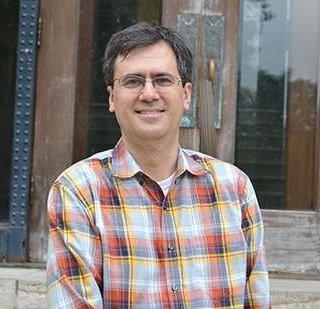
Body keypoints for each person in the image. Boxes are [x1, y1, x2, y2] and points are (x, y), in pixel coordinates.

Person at [47, 22, 270, 308]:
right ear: (112, 97)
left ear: (186, 95)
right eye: (133, 81)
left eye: (163, 80)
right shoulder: (78, 192)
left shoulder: (234, 188)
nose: (149, 94)